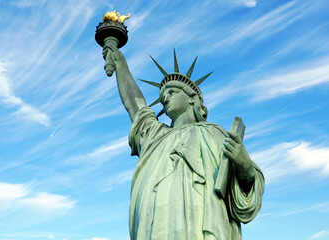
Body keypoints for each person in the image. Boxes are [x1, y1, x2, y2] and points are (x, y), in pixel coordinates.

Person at [103, 44, 265, 240]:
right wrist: (120, 62)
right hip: (154, 225)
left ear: (192, 98)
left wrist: (244, 165)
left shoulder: (215, 134)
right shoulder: (155, 135)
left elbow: (246, 196)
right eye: (163, 96)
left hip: (199, 221)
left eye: (172, 92)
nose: (165, 98)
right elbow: (134, 104)